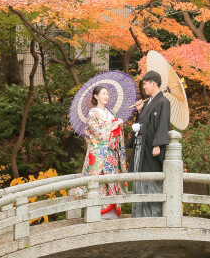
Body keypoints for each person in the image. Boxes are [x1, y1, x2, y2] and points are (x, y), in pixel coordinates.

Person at [71, 85, 127, 219]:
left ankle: (112, 212)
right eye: (103, 94)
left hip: (111, 154)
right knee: (100, 182)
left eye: (107, 94)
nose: (106, 96)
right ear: (96, 96)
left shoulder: (110, 113)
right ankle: (98, 211)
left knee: (112, 181)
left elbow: (116, 134)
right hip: (98, 155)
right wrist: (112, 126)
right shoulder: (92, 113)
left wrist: (119, 125)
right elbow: (95, 132)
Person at [130, 70, 171, 218]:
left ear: (153, 83)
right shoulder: (151, 102)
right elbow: (143, 124)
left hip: (151, 149)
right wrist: (140, 112)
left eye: (145, 84)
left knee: (151, 182)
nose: (144, 87)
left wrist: (157, 144)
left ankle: (152, 218)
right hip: (142, 149)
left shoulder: (163, 102)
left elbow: (162, 124)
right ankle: (139, 216)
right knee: (140, 180)